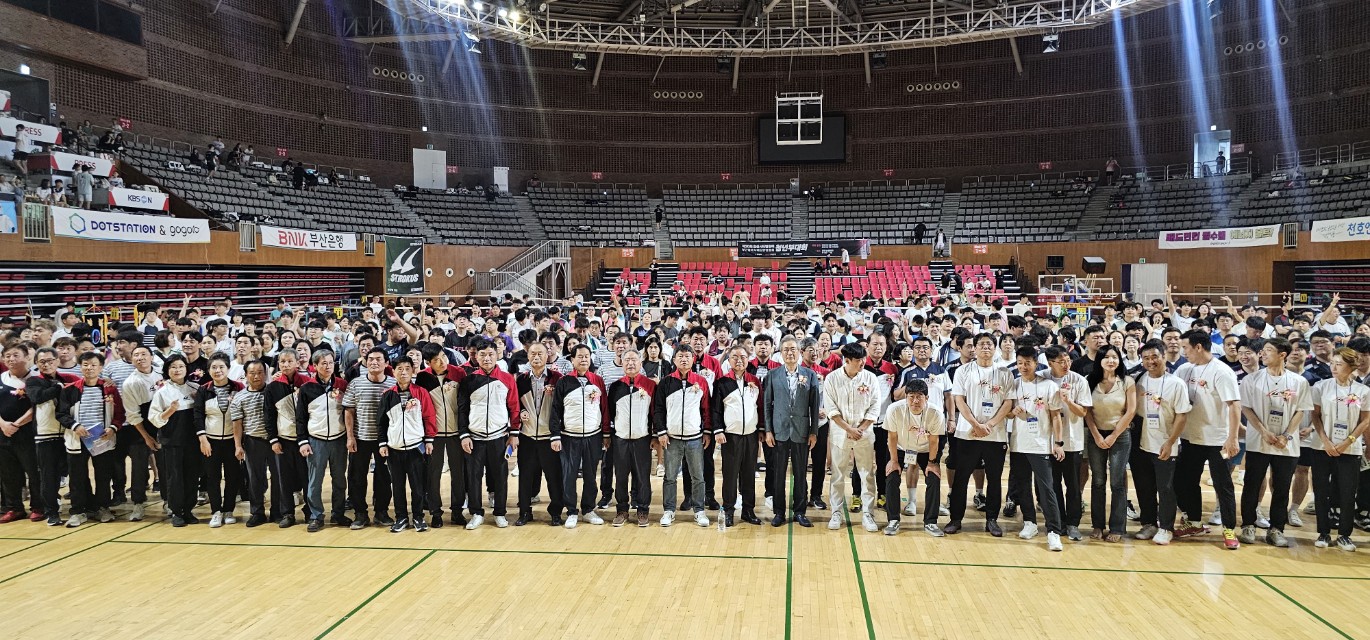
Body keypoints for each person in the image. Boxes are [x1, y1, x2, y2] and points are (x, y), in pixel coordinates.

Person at [1237, 338, 1312, 547]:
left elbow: (1301, 410)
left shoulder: (1299, 382)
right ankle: (1248, 525)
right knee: (1252, 485)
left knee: (1281, 487)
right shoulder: (1251, 379)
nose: (1263, 354)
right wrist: (1263, 432)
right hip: (1258, 441)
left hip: (1286, 444)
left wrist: (1286, 435)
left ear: (1282, 355)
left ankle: (1276, 529)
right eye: (1263, 350)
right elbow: (1246, 408)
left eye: (1268, 350)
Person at [1173, 329, 1243, 549]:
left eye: (1186, 348)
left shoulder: (1221, 371)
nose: (1183, 352)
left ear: (1198, 347)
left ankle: (1229, 529)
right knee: (1184, 481)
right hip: (1190, 438)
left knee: (1223, 485)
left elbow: (1234, 405)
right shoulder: (1184, 370)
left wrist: (1232, 438)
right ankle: (1194, 522)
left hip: (1217, 439)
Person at [946, 333, 1016, 536]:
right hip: (967, 433)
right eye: (981, 344)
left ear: (995, 348)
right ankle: (955, 519)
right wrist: (976, 425)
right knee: (961, 477)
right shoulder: (963, 370)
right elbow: (959, 400)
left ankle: (992, 520)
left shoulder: (1005, 372)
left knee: (994, 479)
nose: (985, 347)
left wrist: (990, 424)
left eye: (989, 344)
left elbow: (1009, 402)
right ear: (974, 348)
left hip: (995, 434)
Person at [1006, 346, 1067, 552]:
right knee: (1022, 485)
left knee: (1046, 488)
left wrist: (1058, 443)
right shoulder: (1014, 384)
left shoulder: (1049, 386)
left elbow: (1056, 416)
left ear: (1036, 363)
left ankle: (1053, 531)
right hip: (1018, 444)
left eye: (1028, 363)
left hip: (1041, 445)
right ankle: (1029, 523)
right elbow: (1007, 413)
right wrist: (1013, 411)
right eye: (1020, 363)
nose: (1023, 367)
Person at [1132, 340, 1193, 545]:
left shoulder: (1176, 383)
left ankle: (1166, 527)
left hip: (1166, 443)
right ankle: (1149, 523)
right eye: (1146, 358)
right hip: (1141, 442)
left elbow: (1182, 416)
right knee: (1144, 486)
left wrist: (1170, 442)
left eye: (1154, 357)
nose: (1150, 361)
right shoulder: (1138, 380)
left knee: (1165, 487)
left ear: (1164, 356)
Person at [1309, 347, 1369, 551]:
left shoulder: (1363, 391)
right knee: (1321, 490)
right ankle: (1323, 532)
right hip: (1322, 447)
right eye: (1332, 363)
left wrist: (1348, 441)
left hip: (1350, 449)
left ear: (1351, 366)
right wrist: (1325, 441)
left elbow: (1365, 420)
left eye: (1339, 364)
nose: (1334, 367)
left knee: (1347, 492)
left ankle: (1344, 534)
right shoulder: (1320, 386)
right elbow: (1315, 416)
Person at [457, 338, 520, 530]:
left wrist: (514, 433)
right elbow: (462, 410)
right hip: (474, 438)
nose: (486, 358)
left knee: (500, 477)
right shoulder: (468, 380)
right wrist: (464, 435)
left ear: (497, 355)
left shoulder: (507, 379)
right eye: (482, 354)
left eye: (490, 354)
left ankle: (500, 513)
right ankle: (476, 513)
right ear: (476, 356)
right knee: (473, 477)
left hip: (499, 437)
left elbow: (514, 407)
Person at [823, 342, 882, 533]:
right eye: (858, 360)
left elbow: (875, 406)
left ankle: (868, 514)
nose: (862, 363)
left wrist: (860, 429)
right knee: (838, 475)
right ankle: (836, 512)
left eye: (864, 359)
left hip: (864, 434)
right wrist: (848, 429)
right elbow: (831, 409)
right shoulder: (832, 378)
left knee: (867, 474)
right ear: (846, 360)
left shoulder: (870, 378)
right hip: (840, 433)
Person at [652, 344, 712, 528]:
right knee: (670, 476)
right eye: (680, 356)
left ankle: (699, 510)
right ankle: (669, 510)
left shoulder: (701, 381)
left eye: (687, 356)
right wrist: (661, 431)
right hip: (672, 438)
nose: (684, 359)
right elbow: (658, 410)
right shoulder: (666, 382)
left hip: (695, 438)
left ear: (693, 359)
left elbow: (706, 409)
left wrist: (707, 431)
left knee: (698, 476)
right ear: (674, 360)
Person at [550, 343, 609, 528]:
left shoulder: (597, 380)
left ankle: (589, 509)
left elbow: (604, 408)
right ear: (572, 359)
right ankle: (571, 511)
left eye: (587, 356)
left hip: (593, 436)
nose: (584, 359)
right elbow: (555, 410)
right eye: (580, 356)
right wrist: (555, 435)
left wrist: (606, 433)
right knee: (569, 475)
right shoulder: (564, 381)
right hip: (569, 437)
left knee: (591, 475)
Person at [377, 356, 437, 533]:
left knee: (417, 486)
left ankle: (418, 517)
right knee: (397, 486)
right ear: (393, 371)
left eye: (407, 368)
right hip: (394, 449)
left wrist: (429, 440)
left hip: (415, 447)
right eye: (399, 369)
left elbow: (429, 416)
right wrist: (382, 443)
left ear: (413, 371)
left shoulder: (421, 392)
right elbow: (381, 422)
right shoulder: (388, 395)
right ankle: (401, 517)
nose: (403, 372)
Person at [1083, 345, 1135, 542]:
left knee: (1117, 482)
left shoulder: (1127, 381)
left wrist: (1113, 435)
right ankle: (1097, 525)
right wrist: (1096, 435)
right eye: (1106, 357)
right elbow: (1087, 411)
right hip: (1095, 435)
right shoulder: (1090, 380)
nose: (1111, 360)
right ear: (1100, 360)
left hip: (1120, 436)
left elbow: (1130, 411)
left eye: (1114, 357)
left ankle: (1117, 528)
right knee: (1098, 481)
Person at [297, 349, 351, 533]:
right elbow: (300, 418)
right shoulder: (307, 388)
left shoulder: (342, 384)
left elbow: (349, 412)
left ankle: (338, 513)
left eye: (330, 363)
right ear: (315, 366)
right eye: (323, 363)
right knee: (314, 482)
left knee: (339, 479)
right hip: (316, 440)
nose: (328, 366)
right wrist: (303, 441)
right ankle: (316, 515)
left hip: (339, 439)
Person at [342, 347, 396, 530]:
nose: (374, 362)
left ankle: (381, 512)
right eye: (370, 359)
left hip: (385, 441)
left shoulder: (393, 383)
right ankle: (360, 514)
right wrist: (350, 436)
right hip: (360, 438)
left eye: (378, 359)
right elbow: (349, 411)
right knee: (356, 478)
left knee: (384, 477)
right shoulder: (356, 383)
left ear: (386, 363)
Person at [883, 378, 945, 536]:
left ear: (927, 398)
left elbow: (934, 440)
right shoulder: (894, 410)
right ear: (906, 397)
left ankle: (930, 522)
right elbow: (892, 437)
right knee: (891, 476)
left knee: (934, 477)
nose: (915, 401)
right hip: (901, 447)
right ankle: (893, 520)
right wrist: (894, 460)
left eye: (919, 397)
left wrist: (932, 463)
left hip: (925, 450)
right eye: (911, 396)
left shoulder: (936, 413)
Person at [416, 342, 468, 527]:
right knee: (433, 474)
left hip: (456, 432)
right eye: (436, 360)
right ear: (428, 362)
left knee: (458, 473)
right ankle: (435, 512)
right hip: (434, 434)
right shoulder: (422, 377)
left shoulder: (459, 373)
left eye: (443, 357)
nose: (442, 362)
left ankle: (457, 511)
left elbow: (465, 404)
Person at [147, 355, 203, 527]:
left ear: (186, 369)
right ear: (167, 370)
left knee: (192, 476)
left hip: (193, 441)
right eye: (173, 367)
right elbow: (154, 418)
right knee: (174, 477)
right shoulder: (162, 392)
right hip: (172, 441)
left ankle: (188, 510)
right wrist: (170, 410)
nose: (177, 370)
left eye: (180, 366)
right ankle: (176, 512)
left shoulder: (195, 388)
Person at [1044, 344, 1092, 542]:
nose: (1066, 365)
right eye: (1061, 361)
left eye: (1068, 360)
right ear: (1050, 363)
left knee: (1073, 485)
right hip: (1047, 441)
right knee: (1052, 485)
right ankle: (1057, 523)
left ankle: (1073, 524)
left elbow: (1083, 412)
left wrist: (1068, 401)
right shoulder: (1042, 378)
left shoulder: (1078, 380)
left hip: (1072, 441)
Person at [713, 345, 763, 527]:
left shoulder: (754, 381)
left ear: (748, 359)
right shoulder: (722, 382)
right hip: (730, 436)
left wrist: (761, 429)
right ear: (729, 360)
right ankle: (728, 510)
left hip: (751, 435)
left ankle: (748, 511)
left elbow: (760, 407)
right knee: (730, 475)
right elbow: (716, 409)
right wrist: (718, 430)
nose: (739, 360)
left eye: (742, 356)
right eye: (735, 357)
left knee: (749, 474)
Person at [608, 348, 655, 527]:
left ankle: (643, 510)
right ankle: (622, 510)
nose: (630, 363)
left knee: (642, 477)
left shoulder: (649, 385)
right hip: (620, 439)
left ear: (640, 363)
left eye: (634, 360)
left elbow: (654, 413)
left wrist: (654, 435)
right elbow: (611, 413)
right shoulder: (615, 386)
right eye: (626, 360)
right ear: (622, 363)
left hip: (642, 438)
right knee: (620, 476)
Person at [195, 352, 243, 528]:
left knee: (232, 476)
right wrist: (203, 439)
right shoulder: (204, 389)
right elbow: (198, 415)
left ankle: (229, 510)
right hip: (211, 441)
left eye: (221, 367)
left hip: (232, 441)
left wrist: (240, 443)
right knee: (212, 477)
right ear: (208, 370)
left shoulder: (238, 387)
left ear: (228, 369)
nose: (218, 370)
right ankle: (216, 511)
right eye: (214, 367)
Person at [119, 345, 163, 522]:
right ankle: (138, 503)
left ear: (151, 357)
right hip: (140, 427)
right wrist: (146, 436)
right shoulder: (130, 383)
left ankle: (169, 500)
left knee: (165, 465)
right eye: (136, 355)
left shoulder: (162, 375)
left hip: (163, 424)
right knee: (139, 466)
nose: (140, 358)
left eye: (144, 354)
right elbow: (132, 414)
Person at [230, 360, 274, 527]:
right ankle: (257, 512)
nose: (256, 376)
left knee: (278, 477)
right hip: (253, 441)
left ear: (265, 374)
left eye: (260, 372)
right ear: (246, 375)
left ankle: (278, 511)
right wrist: (238, 445)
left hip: (274, 440)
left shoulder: (273, 392)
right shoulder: (239, 397)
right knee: (255, 479)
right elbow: (237, 423)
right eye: (252, 373)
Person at [0, 343, 39, 523]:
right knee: (8, 472)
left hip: (28, 433)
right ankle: (14, 508)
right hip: (3, 432)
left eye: (16, 355)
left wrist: (16, 424)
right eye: (7, 356)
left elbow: (37, 407)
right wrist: (3, 424)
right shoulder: (1, 378)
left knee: (34, 471)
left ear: (27, 357)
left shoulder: (36, 379)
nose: (11, 359)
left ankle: (38, 506)